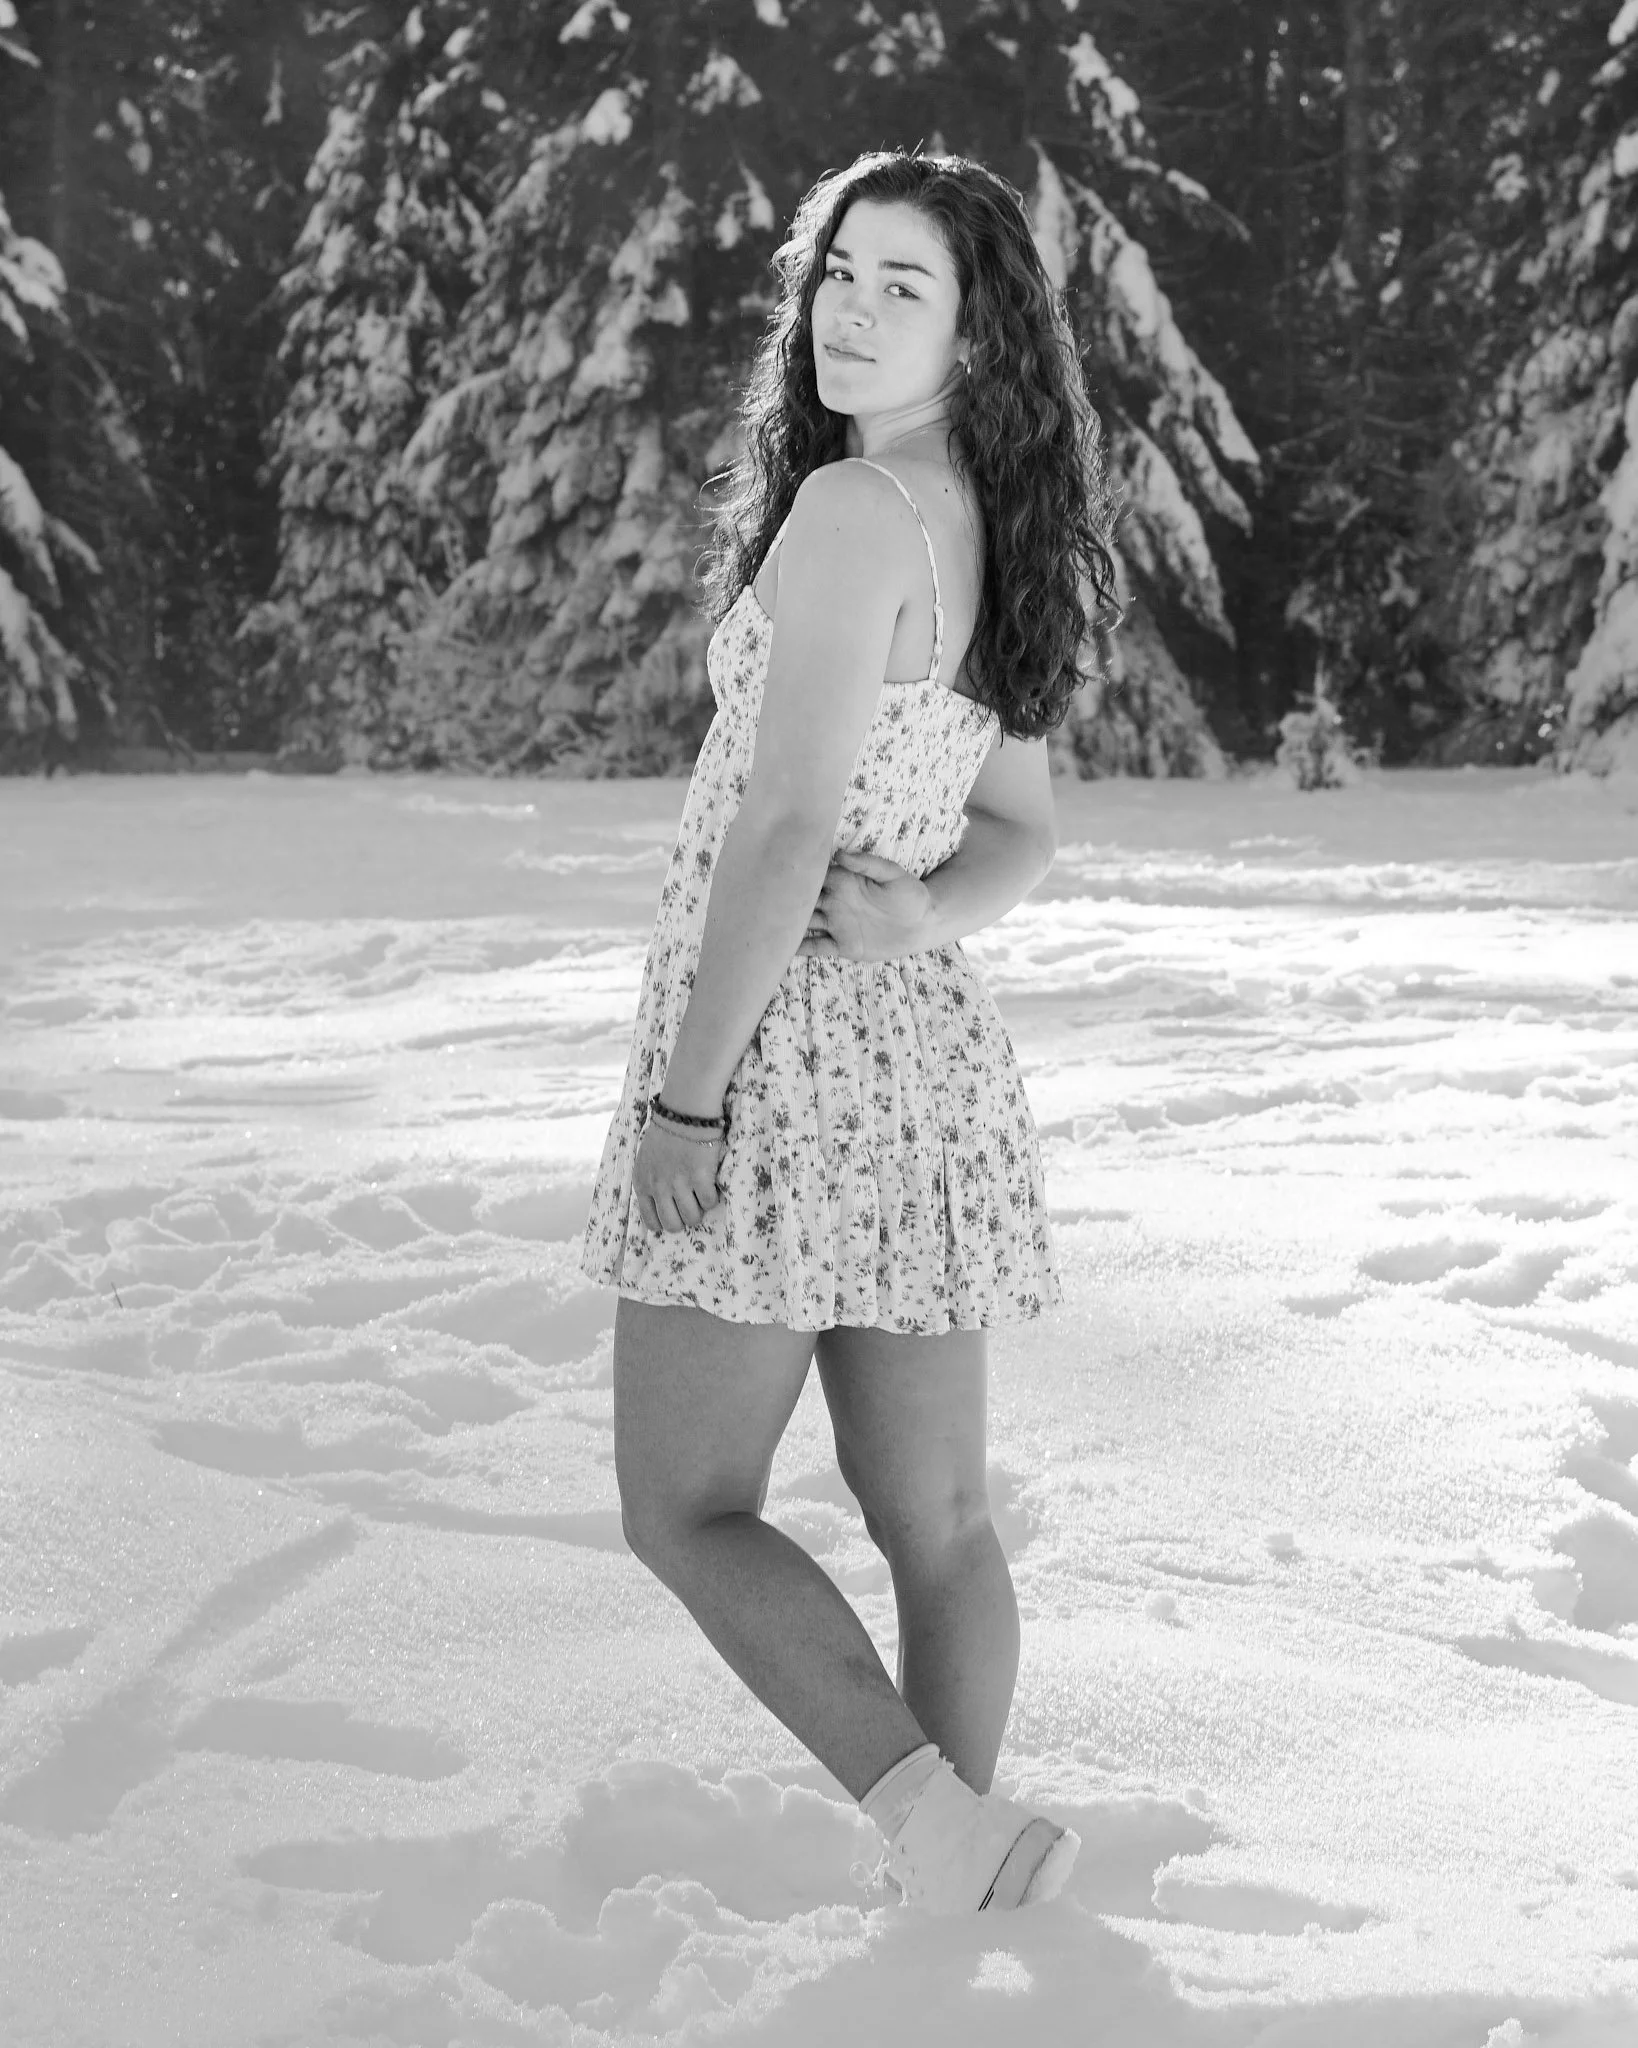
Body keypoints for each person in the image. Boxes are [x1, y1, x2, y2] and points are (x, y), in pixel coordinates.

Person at [577, 148, 1117, 1913]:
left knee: (684, 1507)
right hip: (923, 1065)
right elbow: (1019, 829)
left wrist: (687, 1102)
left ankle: (934, 1830)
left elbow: (787, 822)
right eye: (837, 273)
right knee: (938, 1524)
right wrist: (927, 915)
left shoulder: (847, 514)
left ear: (981, 338)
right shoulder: (994, 517)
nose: (852, 311)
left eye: (905, 285)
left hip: (778, 1062)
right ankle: (952, 1879)